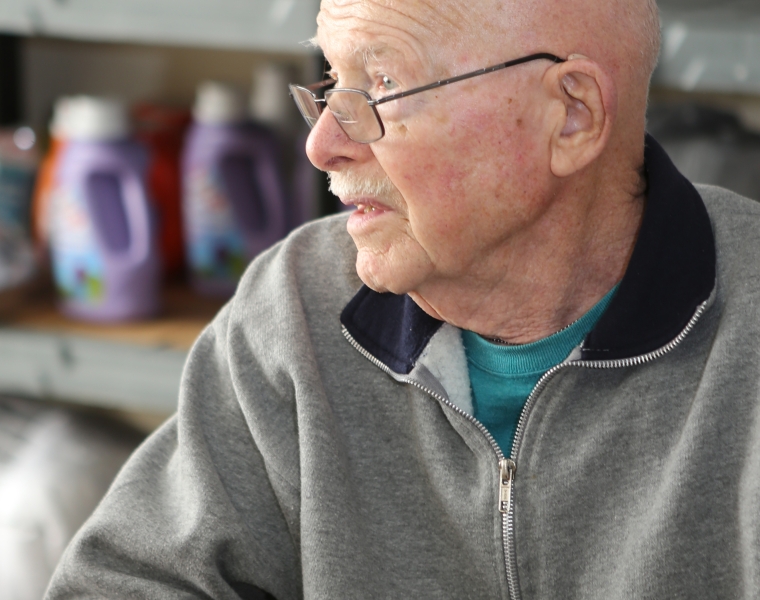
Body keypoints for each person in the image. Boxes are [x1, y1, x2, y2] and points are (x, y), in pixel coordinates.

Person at [46, 0, 760, 598]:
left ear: (571, 116)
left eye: (383, 83)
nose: (322, 144)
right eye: (331, 81)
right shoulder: (294, 307)